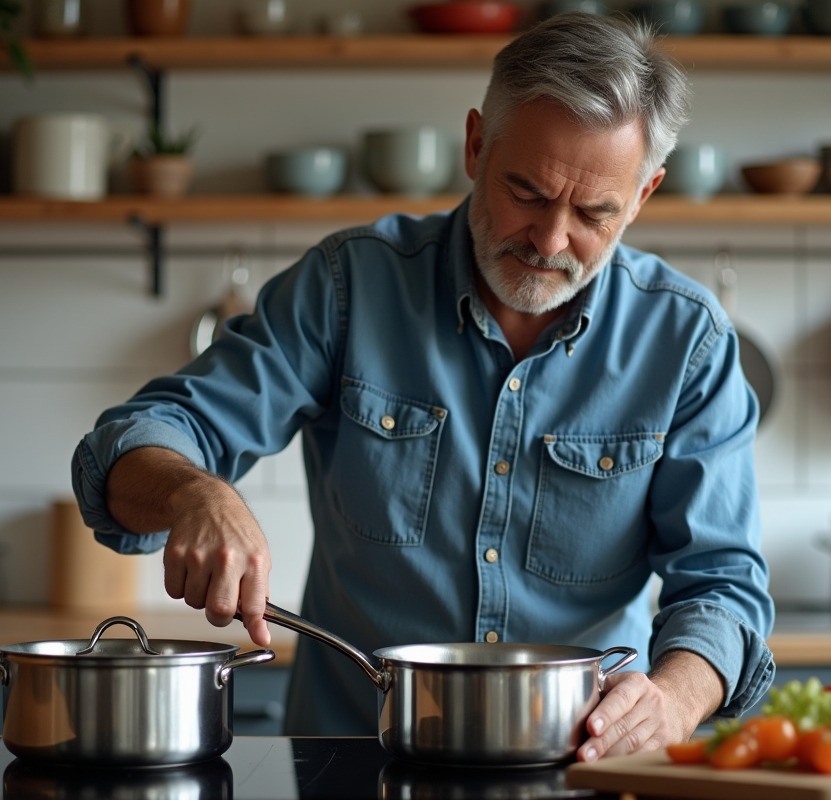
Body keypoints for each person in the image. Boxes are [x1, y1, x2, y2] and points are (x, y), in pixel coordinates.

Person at [72, 13, 774, 761]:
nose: (550, 240)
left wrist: (675, 696)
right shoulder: (349, 287)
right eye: (528, 192)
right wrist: (193, 493)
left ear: (643, 196)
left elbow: (724, 587)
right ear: (476, 145)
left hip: (584, 770)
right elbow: (130, 445)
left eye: (594, 212)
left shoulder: (687, 342)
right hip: (354, 765)